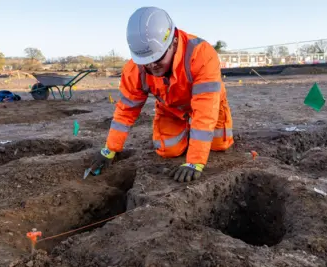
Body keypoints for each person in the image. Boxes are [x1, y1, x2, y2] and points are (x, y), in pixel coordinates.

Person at [91, 6, 234, 182]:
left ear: (173, 42)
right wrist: (109, 149)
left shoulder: (201, 55)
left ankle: (195, 136)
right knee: (167, 150)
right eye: (146, 62)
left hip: (210, 104)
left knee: (219, 144)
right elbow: (125, 112)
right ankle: (188, 131)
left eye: (157, 59)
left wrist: (194, 162)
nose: (152, 66)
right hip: (171, 108)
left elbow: (205, 111)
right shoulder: (135, 70)